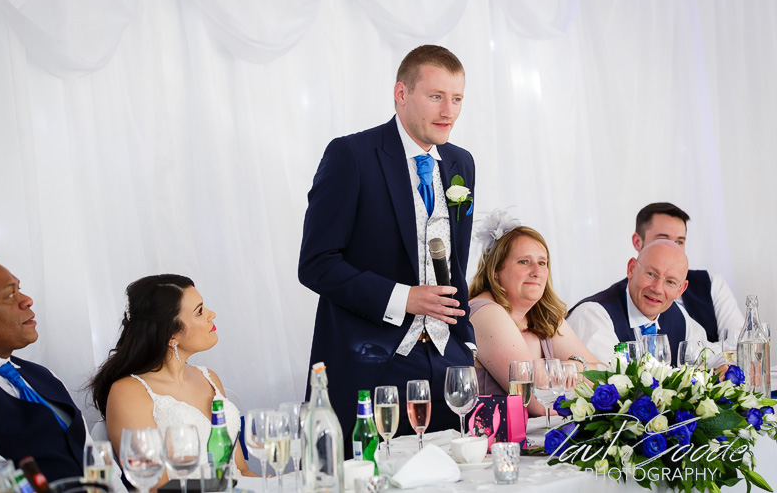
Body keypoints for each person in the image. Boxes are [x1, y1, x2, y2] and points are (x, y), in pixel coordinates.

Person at [298, 45, 476, 444]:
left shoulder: (461, 164)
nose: (448, 111)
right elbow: (316, 264)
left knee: (456, 473)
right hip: (373, 365)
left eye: (457, 99)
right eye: (436, 96)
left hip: (448, 363)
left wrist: (466, 344)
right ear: (401, 94)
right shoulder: (352, 156)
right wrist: (403, 298)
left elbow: (456, 265)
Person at [90, 274, 256, 487]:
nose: (211, 314)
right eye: (200, 311)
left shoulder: (209, 378)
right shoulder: (129, 392)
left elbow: (241, 470)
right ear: (171, 335)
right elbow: (154, 487)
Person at [0, 258, 124, 488]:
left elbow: (95, 459)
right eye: (9, 296)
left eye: (20, 289)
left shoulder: (44, 376)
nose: (27, 300)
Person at [468, 213, 601, 415]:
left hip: (545, 432)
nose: (536, 271)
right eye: (524, 262)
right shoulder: (486, 313)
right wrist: (583, 382)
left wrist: (575, 368)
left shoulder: (543, 316)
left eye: (542, 263)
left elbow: (606, 377)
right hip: (492, 435)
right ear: (495, 271)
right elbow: (538, 402)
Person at [568, 240, 710, 365]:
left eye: (670, 282)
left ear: (681, 289)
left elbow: (709, 355)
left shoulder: (679, 316)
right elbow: (608, 380)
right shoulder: (593, 316)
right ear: (631, 269)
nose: (657, 289)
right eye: (651, 274)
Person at [631, 202, 743, 343]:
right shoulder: (620, 300)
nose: (672, 248)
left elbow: (737, 342)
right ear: (637, 242)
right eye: (663, 239)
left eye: (679, 242)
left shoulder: (712, 284)